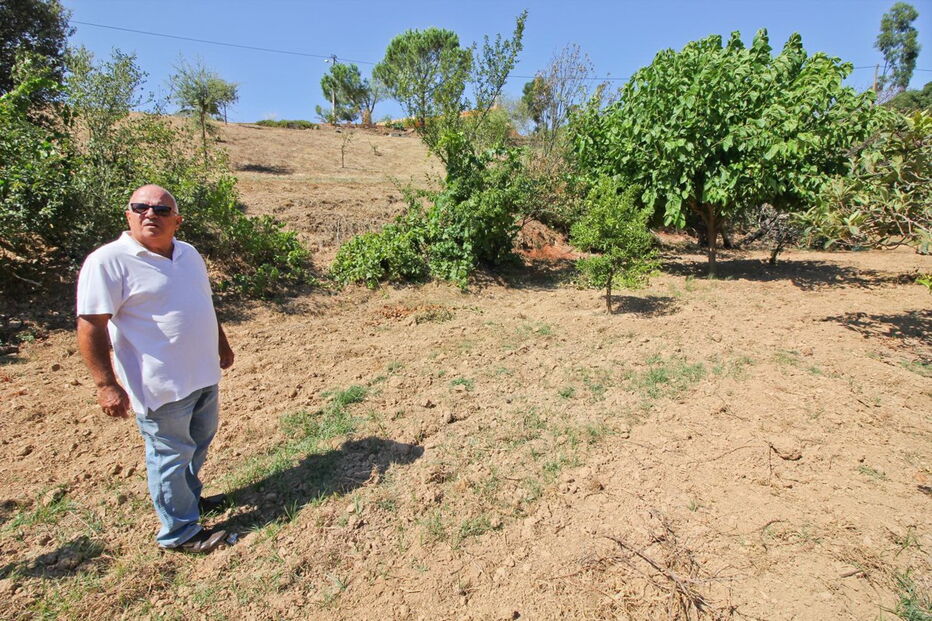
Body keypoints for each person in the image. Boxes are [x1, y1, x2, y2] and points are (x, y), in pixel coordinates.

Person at [76, 184, 234, 554]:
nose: (151, 214)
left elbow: (203, 303)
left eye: (162, 210)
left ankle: (188, 502)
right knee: (169, 453)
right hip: (158, 384)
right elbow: (91, 324)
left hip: (202, 374)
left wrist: (221, 344)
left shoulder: (190, 254)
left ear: (176, 221)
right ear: (128, 215)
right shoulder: (108, 261)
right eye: (141, 207)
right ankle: (179, 532)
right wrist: (106, 384)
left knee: (197, 444)